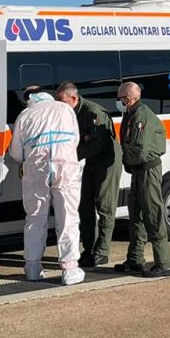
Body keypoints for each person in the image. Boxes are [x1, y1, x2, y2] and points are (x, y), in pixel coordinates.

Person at [5, 88, 84, 285]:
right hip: (65, 166)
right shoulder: (66, 110)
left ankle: (33, 268)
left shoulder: (25, 115)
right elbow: (75, 140)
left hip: (36, 170)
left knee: (35, 217)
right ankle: (70, 269)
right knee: (68, 217)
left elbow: (15, 153)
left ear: (30, 100)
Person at [58, 81, 121, 269]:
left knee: (105, 206)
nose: (60, 106)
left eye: (63, 101)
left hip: (106, 162)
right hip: (90, 162)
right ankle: (89, 248)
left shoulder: (93, 112)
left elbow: (98, 144)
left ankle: (101, 252)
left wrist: (71, 155)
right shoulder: (70, 113)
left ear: (74, 98)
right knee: (85, 206)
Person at [116, 80, 170, 279]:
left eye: (121, 98)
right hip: (138, 171)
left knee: (153, 214)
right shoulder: (131, 114)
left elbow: (139, 150)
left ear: (129, 98)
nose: (119, 102)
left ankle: (164, 263)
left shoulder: (141, 116)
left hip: (148, 171)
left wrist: (123, 158)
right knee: (136, 215)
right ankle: (135, 259)